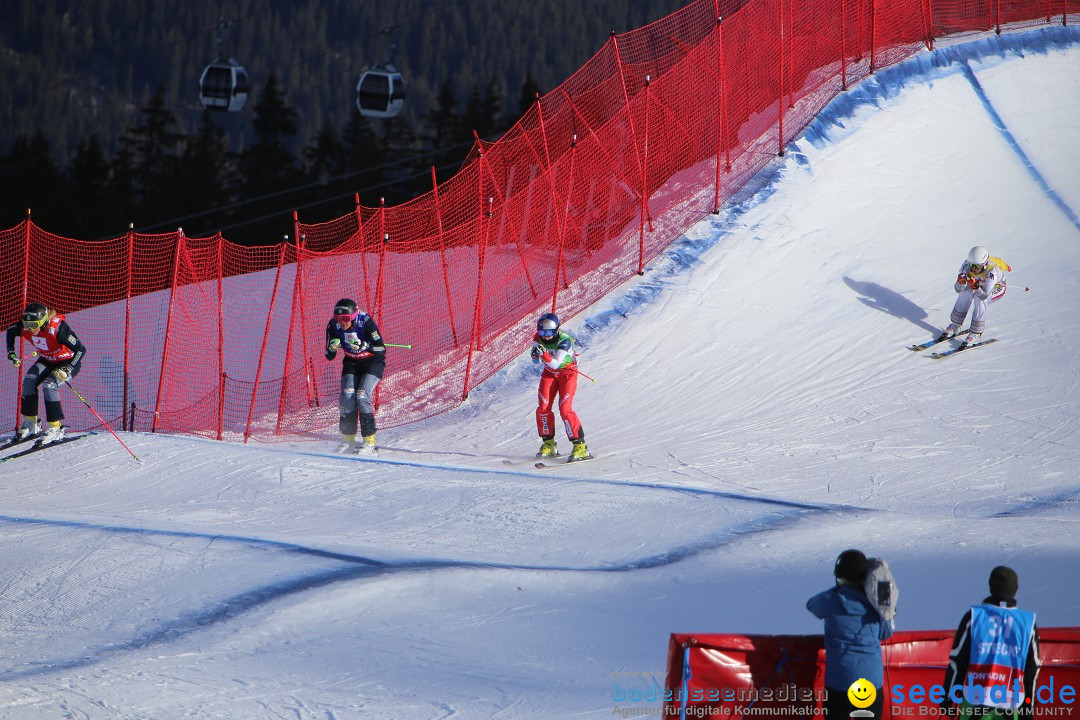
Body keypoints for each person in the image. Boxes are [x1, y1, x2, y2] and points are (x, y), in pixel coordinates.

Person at [941, 566, 1040, 719]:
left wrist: (949, 698)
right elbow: (1032, 668)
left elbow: (957, 661)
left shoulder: (974, 617)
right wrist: (1028, 705)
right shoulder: (1027, 622)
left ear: (990, 586)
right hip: (1012, 703)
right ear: (1016, 589)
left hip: (974, 702)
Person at [806, 549, 892, 720]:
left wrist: (841, 588)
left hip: (839, 682)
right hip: (870, 682)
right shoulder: (878, 602)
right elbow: (885, 633)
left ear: (839, 574)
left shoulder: (831, 600)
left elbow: (811, 605)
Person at [5, 302, 87, 445]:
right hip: (48, 360)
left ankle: (55, 427)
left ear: (43, 322)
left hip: (67, 362)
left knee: (49, 385)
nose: (29, 329)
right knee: (29, 381)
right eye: (26, 324)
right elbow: (10, 331)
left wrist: (67, 369)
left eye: (33, 325)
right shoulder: (26, 327)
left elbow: (80, 350)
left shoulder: (57, 329)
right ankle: (31, 423)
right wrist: (11, 352)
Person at [325, 298, 386, 455]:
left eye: (345, 318)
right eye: (338, 318)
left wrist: (366, 346)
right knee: (347, 396)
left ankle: (369, 443)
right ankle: (348, 441)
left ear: (353, 316)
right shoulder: (333, 325)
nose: (342, 322)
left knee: (362, 395)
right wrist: (333, 347)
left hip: (372, 363)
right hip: (352, 362)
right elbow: (329, 356)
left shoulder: (365, 322)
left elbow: (381, 349)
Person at [531, 312, 591, 462]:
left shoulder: (565, 341)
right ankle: (549, 444)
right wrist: (535, 355)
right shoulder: (537, 338)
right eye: (542, 332)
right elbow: (535, 362)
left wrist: (543, 355)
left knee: (565, 409)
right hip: (549, 374)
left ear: (556, 330)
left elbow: (556, 363)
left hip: (567, 375)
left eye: (549, 332)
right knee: (543, 408)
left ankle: (580, 446)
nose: (545, 336)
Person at [942, 245, 1009, 347]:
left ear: (984, 264)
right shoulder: (966, 265)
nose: (973, 269)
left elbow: (984, 295)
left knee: (979, 300)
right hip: (979, 285)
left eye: (976, 266)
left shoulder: (993, 271)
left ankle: (977, 333)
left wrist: (976, 287)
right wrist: (961, 283)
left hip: (995, 289)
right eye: (971, 265)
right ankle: (956, 324)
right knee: (965, 292)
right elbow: (957, 289)